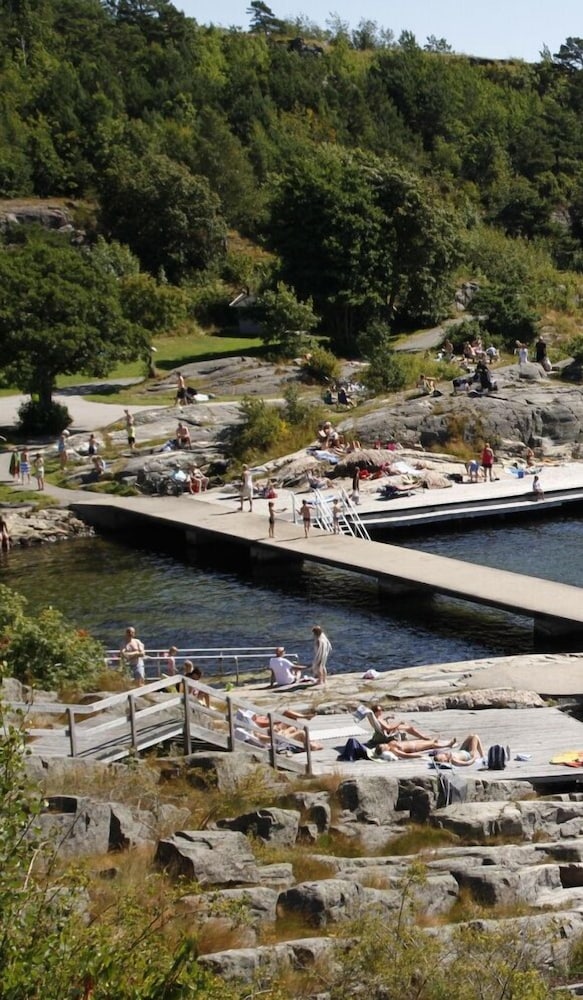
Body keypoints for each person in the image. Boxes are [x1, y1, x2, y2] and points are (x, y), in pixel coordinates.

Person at [375, 735, 457, 760]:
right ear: (385, 750)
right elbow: (404, 755)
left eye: (383, 744)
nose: (385, 745)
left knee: (428, 741)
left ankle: (435, 741)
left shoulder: (390, 743)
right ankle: (448, 745)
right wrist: (417, 755)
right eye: (384, 747)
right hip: (414, 747)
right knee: (431, 745)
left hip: (413, 742)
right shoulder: (394, 750)